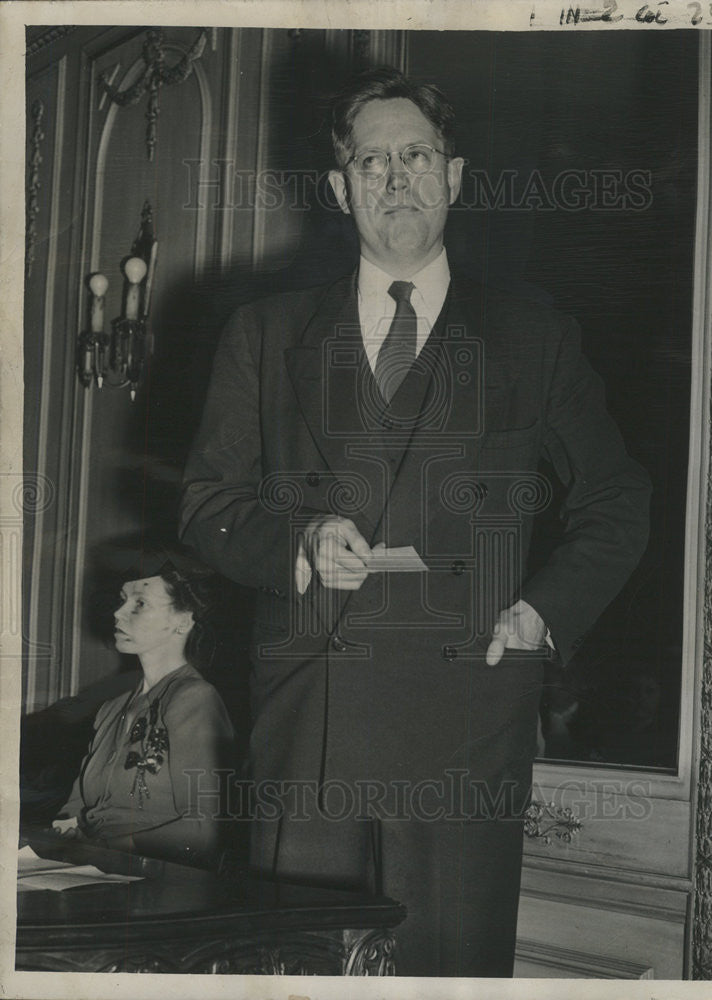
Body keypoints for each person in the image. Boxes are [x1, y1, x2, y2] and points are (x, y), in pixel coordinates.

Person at [180, 67, 651, 975]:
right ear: (337, 187)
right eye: (371, 161)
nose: (395, 179)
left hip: (464, 728)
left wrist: (540, 614)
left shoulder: (532, 335)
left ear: (456, 175)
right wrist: (299, 543)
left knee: (446, 972)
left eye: (416, 156)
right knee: (301, 972)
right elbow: (207, 504)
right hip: (307, 719)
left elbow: (615, 498)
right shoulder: (264, 332)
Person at [52, 555, 235, 867]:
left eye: (139, 604)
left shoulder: (195, 700)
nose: (118, 613)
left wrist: (107, 849)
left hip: (159, 877)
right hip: (95, 870)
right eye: (123, 600)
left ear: (184, 620)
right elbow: (74, 808)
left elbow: (204, 832)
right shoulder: (111, 708)